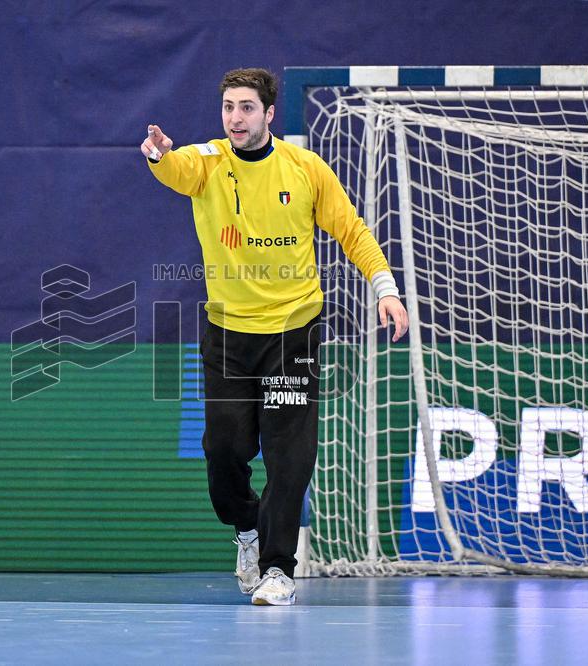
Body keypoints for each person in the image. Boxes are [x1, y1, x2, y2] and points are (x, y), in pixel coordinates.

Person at [141, 68, 408, 605]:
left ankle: (278, 570)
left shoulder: (304, 168)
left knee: (290, 457)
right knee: (223, 451)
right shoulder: (208, 162)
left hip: (293, 332)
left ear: (268, 114)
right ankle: (247, 530)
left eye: (246, 108)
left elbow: (352, 230)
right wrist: (158, 155)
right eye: (228, 107)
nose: (235, 118)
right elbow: (176, 168)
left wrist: (386, 288)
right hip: (227, 335)